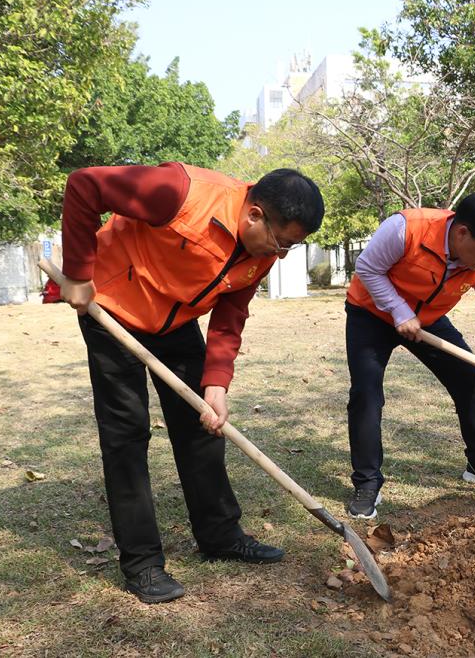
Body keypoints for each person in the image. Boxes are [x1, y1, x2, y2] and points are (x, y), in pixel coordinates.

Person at [60, 162, 324, 603]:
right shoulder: (180, 191)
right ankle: (143, 563)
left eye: (291, 248)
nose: (280, 256)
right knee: (126, 435)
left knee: (202, 427)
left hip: (176, 321)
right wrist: (79, 273)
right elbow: (84, 185)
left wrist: (216, 384)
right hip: (111, 310)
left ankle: (220, 536)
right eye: (281, 243)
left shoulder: (260, 253)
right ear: (254, 215)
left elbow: (230, 315)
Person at [344, 193, 475, 519]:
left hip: (427, 320)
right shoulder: (406, 229)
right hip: (371, 314)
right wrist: (399, 311)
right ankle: (367, 483)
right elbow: (367, 267)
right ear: (462, 233)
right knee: (366, 393)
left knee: (469, 376)